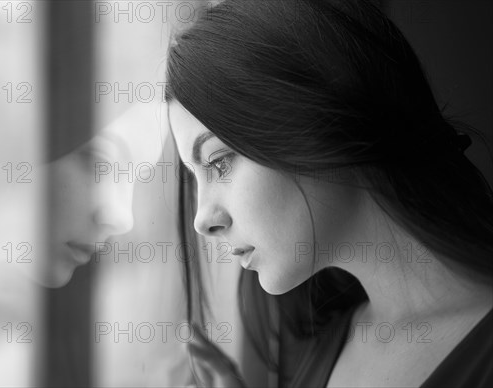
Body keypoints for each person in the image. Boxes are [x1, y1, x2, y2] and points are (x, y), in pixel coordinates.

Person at [164, 0, 493, 386]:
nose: (202, 220)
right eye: (194, 175)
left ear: (316, 118)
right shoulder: (323, 344)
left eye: (220, 161)